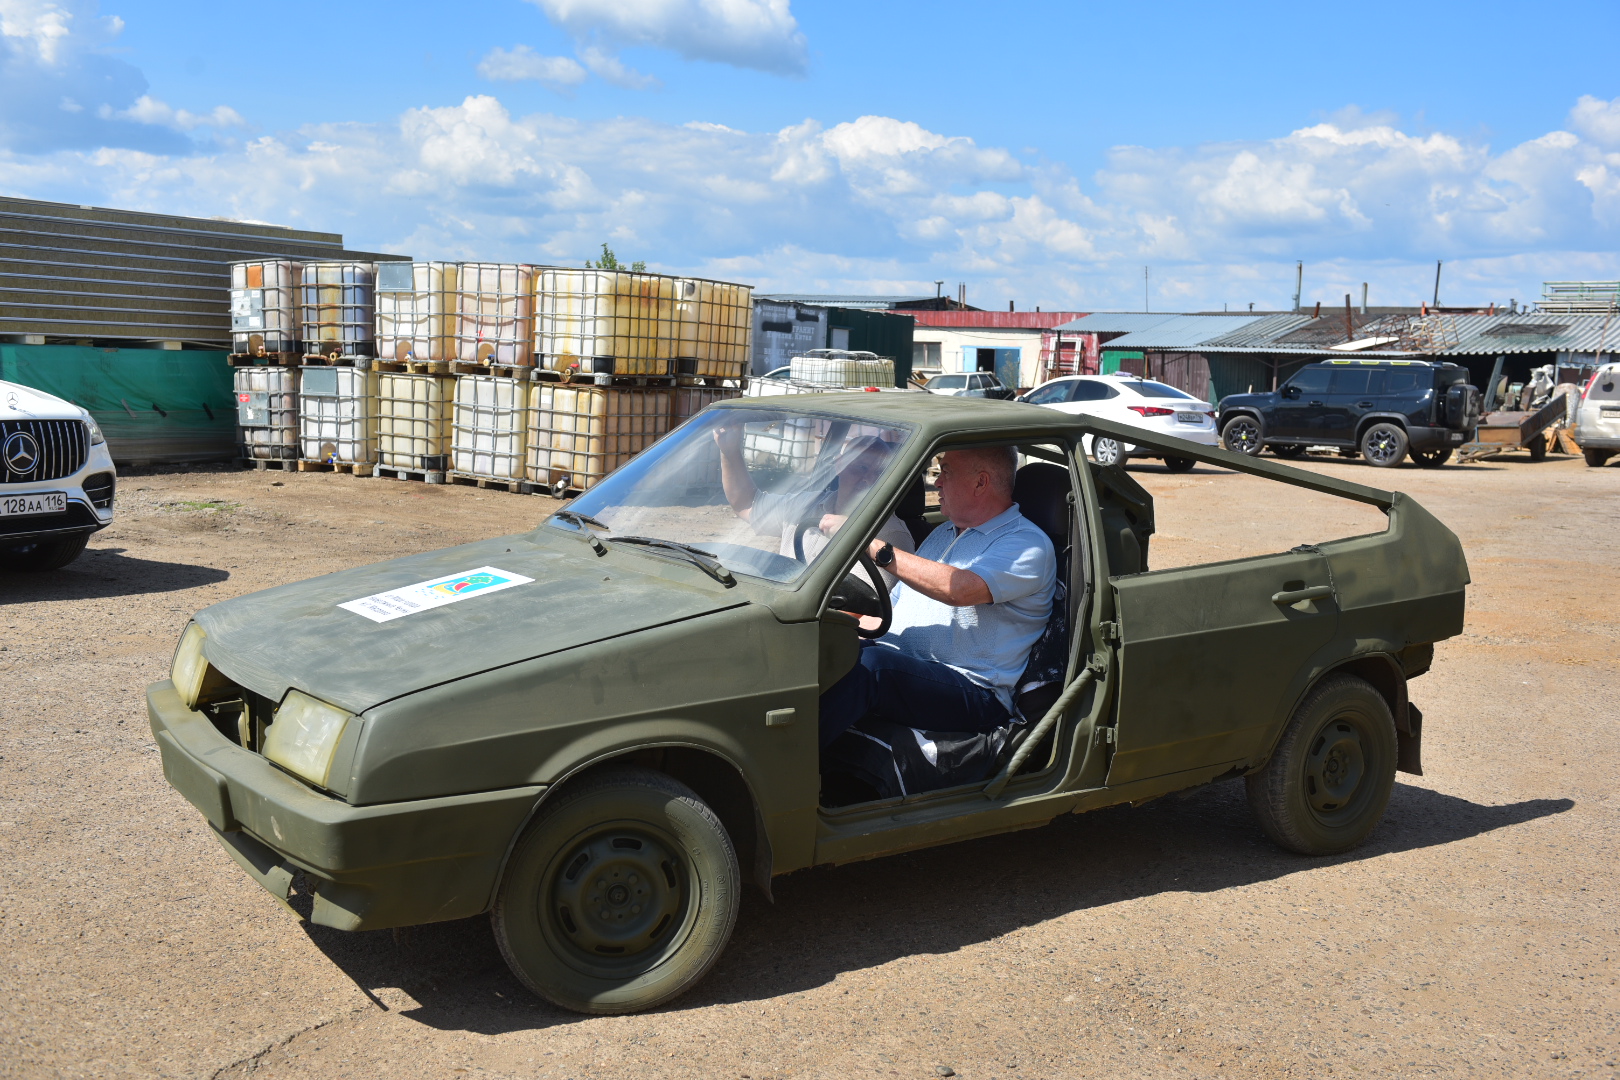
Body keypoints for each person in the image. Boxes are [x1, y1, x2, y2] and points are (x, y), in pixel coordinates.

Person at [819, 446, 1056, 748]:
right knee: (828, 651)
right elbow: (895, 610)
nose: (937, 482)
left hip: (975, 690)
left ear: (981, 482)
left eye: (946, 472)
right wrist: (830, 629)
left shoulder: (1026, 544)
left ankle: (789, 763)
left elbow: (958, 589)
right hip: (909, 667)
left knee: (872, 667)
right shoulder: (944, 532)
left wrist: (867, 542)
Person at [713, 425, 915, 586]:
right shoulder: (806, 504)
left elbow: (859, 609)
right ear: (839, 465)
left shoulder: (890, 535)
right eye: (861, 467)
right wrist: (730, 451)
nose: (868, 479)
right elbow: (747, 504)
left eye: (879, 473)